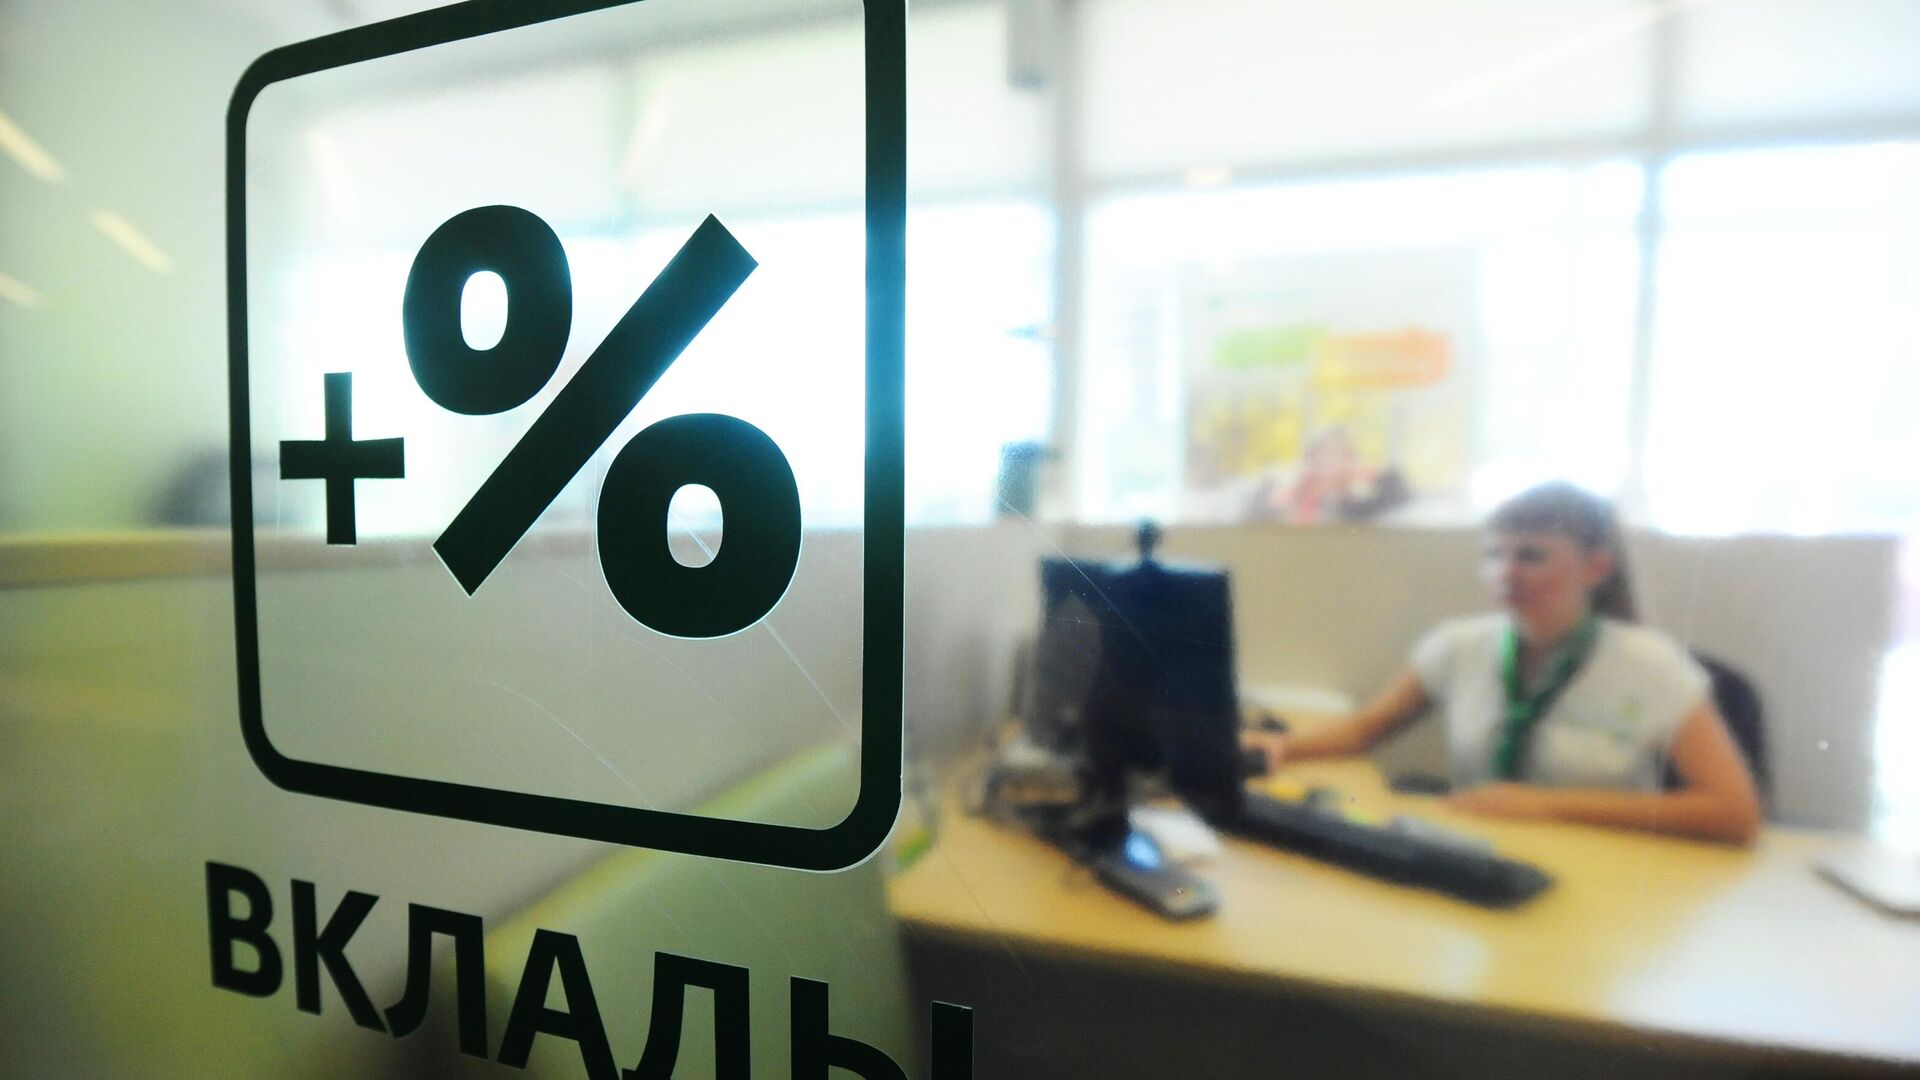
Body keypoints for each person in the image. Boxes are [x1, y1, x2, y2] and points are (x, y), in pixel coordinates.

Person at [1247, 482, 1762, 845]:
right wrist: (1283, 747)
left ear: (1595, 568)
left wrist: (1548, 807)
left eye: (1531, 556)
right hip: (1484, 853)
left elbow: (1734, 812)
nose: (1506, 572)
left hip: (1603, 864)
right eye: (1494, 555)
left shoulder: (1652, 666)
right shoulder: (1459, 646)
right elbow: (1365, 729)